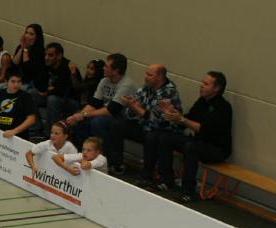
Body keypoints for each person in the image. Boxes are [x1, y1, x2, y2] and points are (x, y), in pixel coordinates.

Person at [150, 71, 233, 202]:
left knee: (191, 147)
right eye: (202, 82)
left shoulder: (224, 108)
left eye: (206, 84)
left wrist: (182, 119)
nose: (201, 85)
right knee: (165, 137)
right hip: (199, 142)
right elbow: (189, 119)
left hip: (217, 149)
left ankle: (187, 191)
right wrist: (173, 114)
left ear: (216, 88)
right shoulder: (202, 102)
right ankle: (166, 179)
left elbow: (205, 129)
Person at [65, 53, 137, 174]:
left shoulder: (126, 84)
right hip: (106, 116)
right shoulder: (104, 81)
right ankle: (86, 155)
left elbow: (112, 110)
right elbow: (94, 103)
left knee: (98, 122)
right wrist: (77, 116)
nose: (103, 68)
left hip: (124, 118)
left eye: (107, 66)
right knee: (80, 123)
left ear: (116, 70)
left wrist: (84, 115)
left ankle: (111, 161)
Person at [120, 63, 182, 151]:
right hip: (144, 125)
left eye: (150, 75)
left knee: (151, 137)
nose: (146, 77)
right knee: (117, 123)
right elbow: (130, 115)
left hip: (163, 131)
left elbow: (156, 122)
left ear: (160, 77)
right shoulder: (146, 88)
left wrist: (135, 107)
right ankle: (114, 159)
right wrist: (132, 106)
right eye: (146, 74)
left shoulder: (168, 93)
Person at [41, 42, 83, 129]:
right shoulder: (47, 64)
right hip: (52, 94)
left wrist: (47, 90)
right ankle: (36, 129)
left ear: (59, 56)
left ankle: (54, 132)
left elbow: (62, 91)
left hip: (70, 100)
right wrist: (47, 89)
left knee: (52, 100)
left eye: (50, 55)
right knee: (31, 92)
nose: (46, 57)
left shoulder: (67, 67)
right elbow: (39, 82)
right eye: (46, 54)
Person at [0, 68, 37, 139]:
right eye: (13, 82)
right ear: (6, 81)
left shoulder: (26, 97)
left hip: (17, 137)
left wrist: (15, 131)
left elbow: (31, 119)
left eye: (19, 81)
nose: (16, 84)